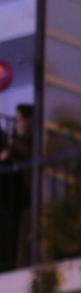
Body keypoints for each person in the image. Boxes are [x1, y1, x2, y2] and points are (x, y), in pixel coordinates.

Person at [0, 104, 33, 270]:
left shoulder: (31, 141)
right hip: (11, 193)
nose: (16, 123)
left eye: (19, 119)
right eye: (16, 120)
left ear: (28, 121)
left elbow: (25, 156)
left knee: (21, 233)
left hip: (22, 194)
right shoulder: (12, 140)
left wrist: (10, 151)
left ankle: (17, 265)